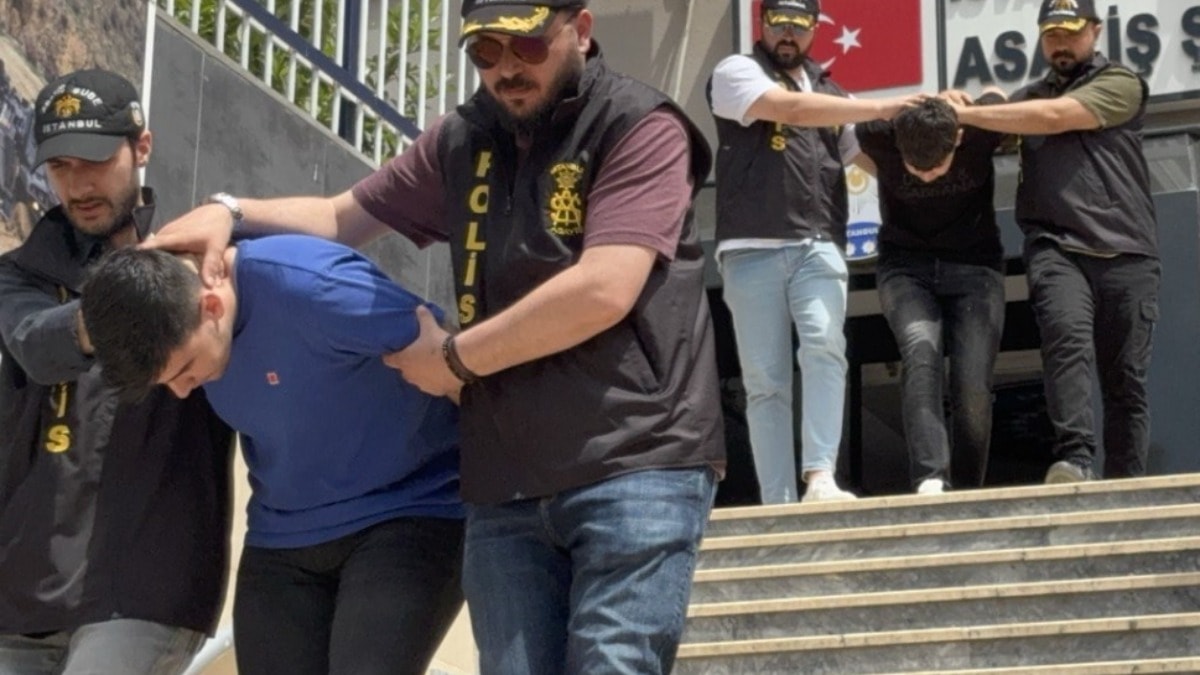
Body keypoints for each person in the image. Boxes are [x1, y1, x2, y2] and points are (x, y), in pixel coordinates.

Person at [144, 1, 725, 672]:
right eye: (484, 52)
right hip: (505, 481)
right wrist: (230, 210)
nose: (506, 68)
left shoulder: (639, 125)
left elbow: (603, 288)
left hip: (634, 459)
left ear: (582, 31)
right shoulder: (462, 139)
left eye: (527, 46)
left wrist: (454, 357)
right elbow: (340, 218)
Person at [79, 237, 464, 675]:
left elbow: (456, 362)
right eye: (167, 383)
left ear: (211, 307)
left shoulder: (313, 288)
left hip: (409, 509)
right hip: (283, 536)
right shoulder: (164, 301)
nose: (183, 391)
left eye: (185, 370)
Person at [0, 69, 233, 674]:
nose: (78, 184)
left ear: (142, 147)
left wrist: (231, 217)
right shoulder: (17, 276)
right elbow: (37, 345)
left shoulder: (200, 265)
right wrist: (131, 301)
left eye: (97, 161)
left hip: (145, 590)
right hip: (22, 593)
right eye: (60, 166)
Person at [707, 0, 917, 503]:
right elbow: (791, 110)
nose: (787, 33)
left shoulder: (831, 93)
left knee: (826, 347)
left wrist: (931, 156)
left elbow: (867, 156)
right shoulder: (737, 71)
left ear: (814, 29)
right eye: (778, 22)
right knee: (765, 382)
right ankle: (777, 501)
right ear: (762, 23)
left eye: (798, 25)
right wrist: (884, 106)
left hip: (820, 242)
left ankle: (821, 476)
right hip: (751, 247)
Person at [951, 0, 1159, 484]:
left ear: (1095, 31)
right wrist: (960, 108)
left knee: (1125, 382)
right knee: (1065, 344)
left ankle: (1128, 486)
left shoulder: (1121, 83)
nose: (1060, 44)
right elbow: (980, 135)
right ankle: (1076, 458)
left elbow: (1055, 116)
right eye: (1051, 35)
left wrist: (993, 110)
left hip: (1128, 251)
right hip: (1056, 246)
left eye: (1070, 32)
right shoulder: (1028, 99)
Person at [856, 94, 1008, 495]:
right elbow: (847, 118)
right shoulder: (877, 135)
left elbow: (1003, 102)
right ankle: (930, 477)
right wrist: (897, 106)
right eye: (914, 167)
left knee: (972, 383)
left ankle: (968, 490)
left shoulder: (979, 132)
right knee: (920, 355)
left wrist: (962, 104)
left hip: (975, 268)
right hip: (905, 268)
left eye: (936, 166)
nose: (925, 177)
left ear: (957, 138)